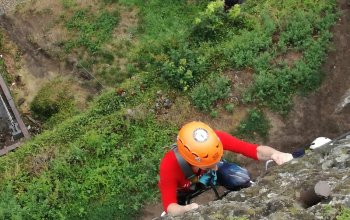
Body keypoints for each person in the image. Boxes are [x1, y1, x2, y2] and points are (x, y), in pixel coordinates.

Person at [158, 121, 293, 216]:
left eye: (216, 160)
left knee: (239, 177)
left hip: (204, 175)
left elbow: (254, 150)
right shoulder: (169, 166)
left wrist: (276, 154)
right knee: (174, 214)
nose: (216, 167)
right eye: (210, 164)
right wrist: (185, 209)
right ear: (191, 160)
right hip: (184, 188)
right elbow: (170, 206)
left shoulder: (214, 140)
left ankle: (245, 188)